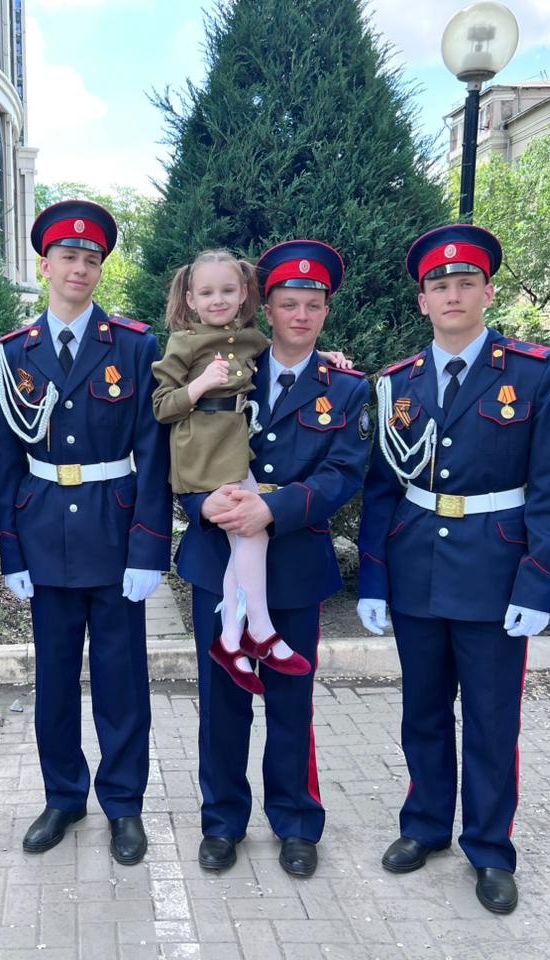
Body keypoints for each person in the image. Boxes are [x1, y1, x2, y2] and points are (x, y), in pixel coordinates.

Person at [355, 224, 550, 915]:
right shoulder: (397, 383)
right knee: (422, 712)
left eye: (465, 283)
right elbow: (382, 490)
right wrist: (373, 578)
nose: (453, 295)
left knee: (490, 720)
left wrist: (539, 581)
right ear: (423, 301)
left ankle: (489, 848)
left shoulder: (534, 373)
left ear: (487, 293)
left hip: (495, 570)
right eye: (439, 286)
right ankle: (425, 825)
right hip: (417, 566)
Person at [173, 240, 370, 878]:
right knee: (222, 702)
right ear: (269, 308)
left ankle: (296, 822)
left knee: (291, 702)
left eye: (313, 305)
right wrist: (198, 505)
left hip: (294, 563)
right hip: (216, 555)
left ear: (326, 311)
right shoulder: (225, 364)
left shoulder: (345, 386)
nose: (301, 316)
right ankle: (222, 821)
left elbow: (343, 473)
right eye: (289, 303)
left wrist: (274, 510)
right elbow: (178, 441)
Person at [0, 199, 170, 865]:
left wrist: (149, 548)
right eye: (68, 257)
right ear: (44, 265)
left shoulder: (133, 345)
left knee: (122, 683)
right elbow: (7, 462)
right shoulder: (14, 353)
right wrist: (12, 551)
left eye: (91, 259)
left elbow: (152, 453)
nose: (80, 268)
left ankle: (124, 804)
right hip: (44, 535)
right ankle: (63, 796)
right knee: (55, 683)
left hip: (114, 531)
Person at [152, 250, 311, 695]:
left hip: (234, 447)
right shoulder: (184, 342)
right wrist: (201, 384)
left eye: (227, 290)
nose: (217, 300)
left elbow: (289, 358)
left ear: (243, 294)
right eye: (206, 292)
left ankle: (229, 638)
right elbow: (161, 406)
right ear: (190, 298)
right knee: (252, 531)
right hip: (202, 449)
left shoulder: (251, 339)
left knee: (244, 538)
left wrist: (328, 357)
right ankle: (259, 629)